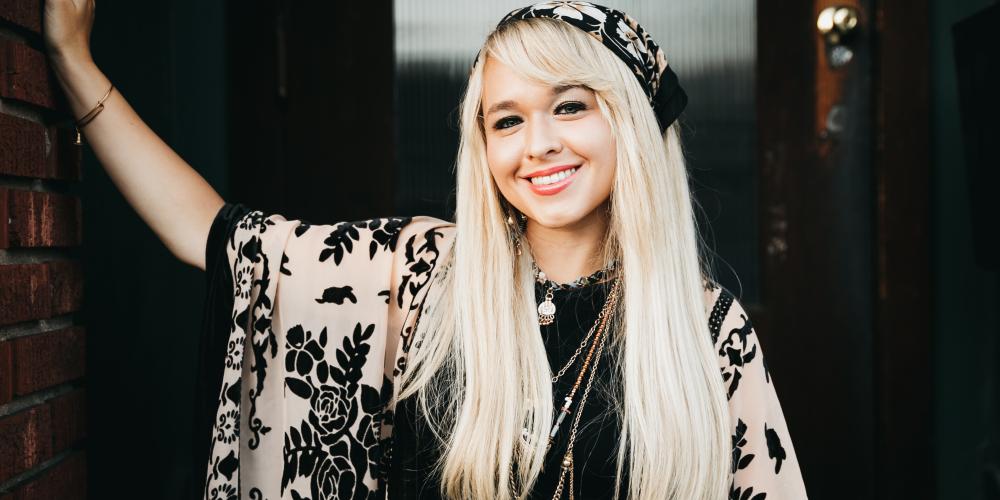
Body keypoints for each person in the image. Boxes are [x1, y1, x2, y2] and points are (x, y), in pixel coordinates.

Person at [44, 0, 808, 498]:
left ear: (630, 124)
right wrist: (76, 63)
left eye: (569, 106)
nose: (537, 145)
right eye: (506, 120)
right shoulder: (420, 277)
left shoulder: (706, 330)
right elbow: (208, 232)